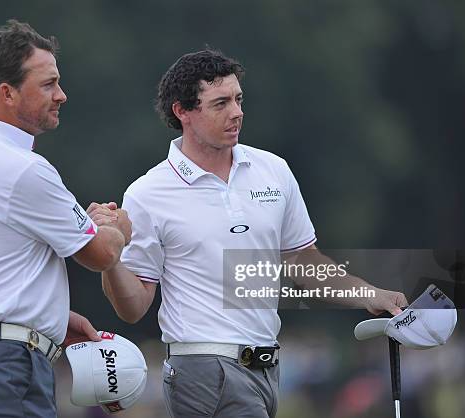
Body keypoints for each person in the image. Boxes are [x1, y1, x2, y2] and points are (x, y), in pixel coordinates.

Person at [98, 49, 408, 418]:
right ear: (183, 112)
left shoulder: (273, 170)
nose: (237, 112)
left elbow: (300, 262)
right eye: (220, 103)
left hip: (266, 369)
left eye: (239, 99)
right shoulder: (149, 192)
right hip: (205, 371)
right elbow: (133, 306)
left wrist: (367, 294)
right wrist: (110, 257)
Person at [0, 20, 131, 418]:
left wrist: (49, 317)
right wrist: (116, 227)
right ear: (7, 92)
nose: (62, 95)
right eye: (48, 84)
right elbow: (101, 254)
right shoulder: (21, 168)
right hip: (2, 367)